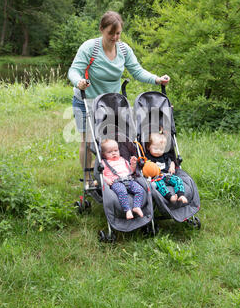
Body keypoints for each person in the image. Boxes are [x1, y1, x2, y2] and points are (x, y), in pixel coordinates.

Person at [68, 11, 170, 185]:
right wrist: (79, 82)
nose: (115, 37)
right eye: (110, 33)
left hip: (112, 101)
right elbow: (73, 70)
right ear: (101, 29)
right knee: (88, 141)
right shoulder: (90, 48)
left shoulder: (123, 49)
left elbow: (137, 71)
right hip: (87, 100)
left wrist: (156, 79)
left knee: (119, 139)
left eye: (118, 33)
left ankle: (119, 173)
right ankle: (87, 178)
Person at [101, 139, 144, 220]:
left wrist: (133, 164)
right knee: (122, 192)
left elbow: (131, 171)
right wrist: (106, 179)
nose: (114, 153)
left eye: (116, 150)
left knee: (140, 190)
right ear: (104, 154)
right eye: (109, 152)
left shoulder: (123, 160)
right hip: (116, 182)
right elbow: (101, 174)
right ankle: (127, 210)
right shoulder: (104, 162)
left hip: (129, 180)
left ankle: (136, 206)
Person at [145, 132, 188, 205]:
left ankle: (181, 195)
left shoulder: (165, 156)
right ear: (148, 147)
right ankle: (170, 197)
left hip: (167, 175)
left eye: (161, 149)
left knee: (177, 179)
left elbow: (172, 162)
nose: (158, 151)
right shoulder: (147, 157)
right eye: (155, 148)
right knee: (160, 184)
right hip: (156, 178)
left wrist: (172, 166)